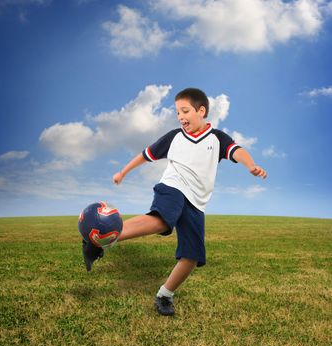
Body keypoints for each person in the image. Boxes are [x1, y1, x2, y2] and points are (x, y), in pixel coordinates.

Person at [82, 87, 267, 316]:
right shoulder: (174, 137)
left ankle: (164, 295)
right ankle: (100, 239)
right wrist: (123, 172)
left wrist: (251, 166)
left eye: (185, 111)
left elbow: (237, 151)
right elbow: (146, 154)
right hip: (173, 187)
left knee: (192, 256)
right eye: (177, 112)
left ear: (201, 111)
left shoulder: (217, 139)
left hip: (197, 202)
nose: (180, 117)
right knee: (162, 221)